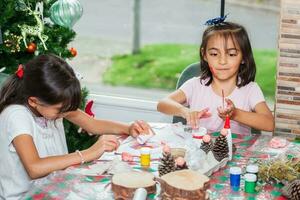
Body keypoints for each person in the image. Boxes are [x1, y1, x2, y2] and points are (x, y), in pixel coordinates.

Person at [0, 54, 150, 200]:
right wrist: (88, 153)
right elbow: (34, 167)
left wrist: (128, 128)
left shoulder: (51, 107)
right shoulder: (16, 115)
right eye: (60, 110)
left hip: (54, 189)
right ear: (33, 101)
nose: (65, 113)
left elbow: (92, 125)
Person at [157, 21, 274, 135]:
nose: (222, 61)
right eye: (214, 54)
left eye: (231, 54)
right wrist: (185, 112)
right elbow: (162, 103)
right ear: (205, 55)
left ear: (243, 57)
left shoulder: (250, 89)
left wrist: (235, 114)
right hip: (198, 151)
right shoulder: (194, 85)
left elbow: (269, 124)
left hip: (235, 154)